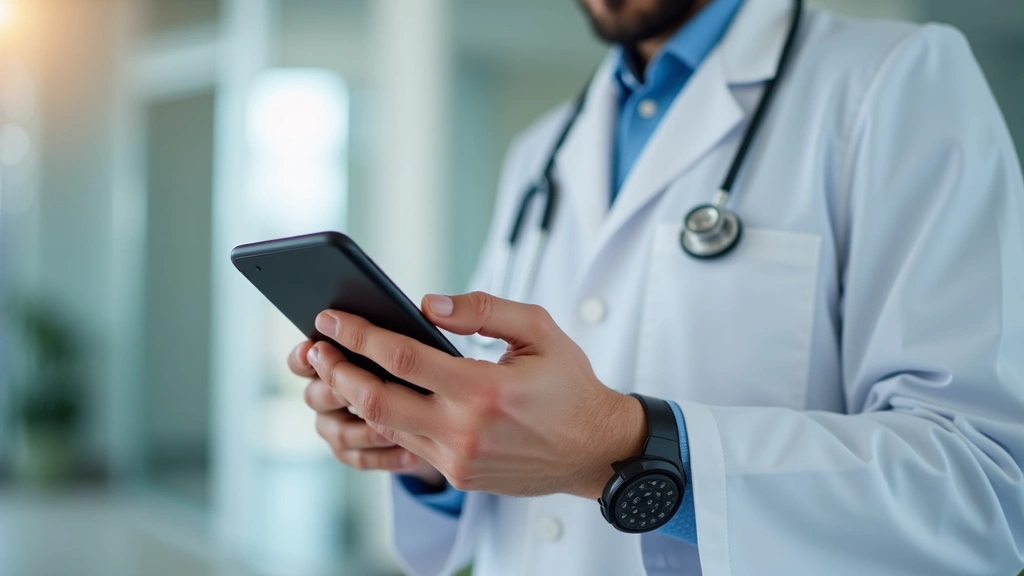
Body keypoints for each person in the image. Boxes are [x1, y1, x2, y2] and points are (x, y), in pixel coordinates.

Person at [288, 0, 1024, 573]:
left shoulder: (895, 79)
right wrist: (432, 446)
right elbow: (518, 433)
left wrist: (625, 449)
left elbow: (983, 491)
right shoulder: (543, 149)